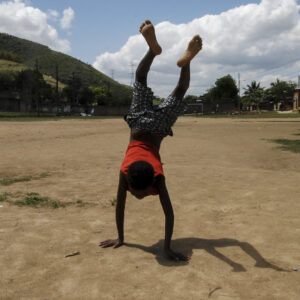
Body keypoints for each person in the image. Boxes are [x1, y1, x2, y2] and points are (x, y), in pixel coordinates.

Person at [100, 20, 202, 261]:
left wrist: (122, 237)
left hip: (156, 129)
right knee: (140, 77)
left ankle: (181, 60)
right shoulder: (131, 175)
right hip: (138, 125)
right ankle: (164, 54)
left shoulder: (151, 177)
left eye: (140, 194)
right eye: (141, 194)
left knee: (179, 91)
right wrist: (163, 247)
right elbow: (167, 214)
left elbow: (125, 207)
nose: (139, 197)